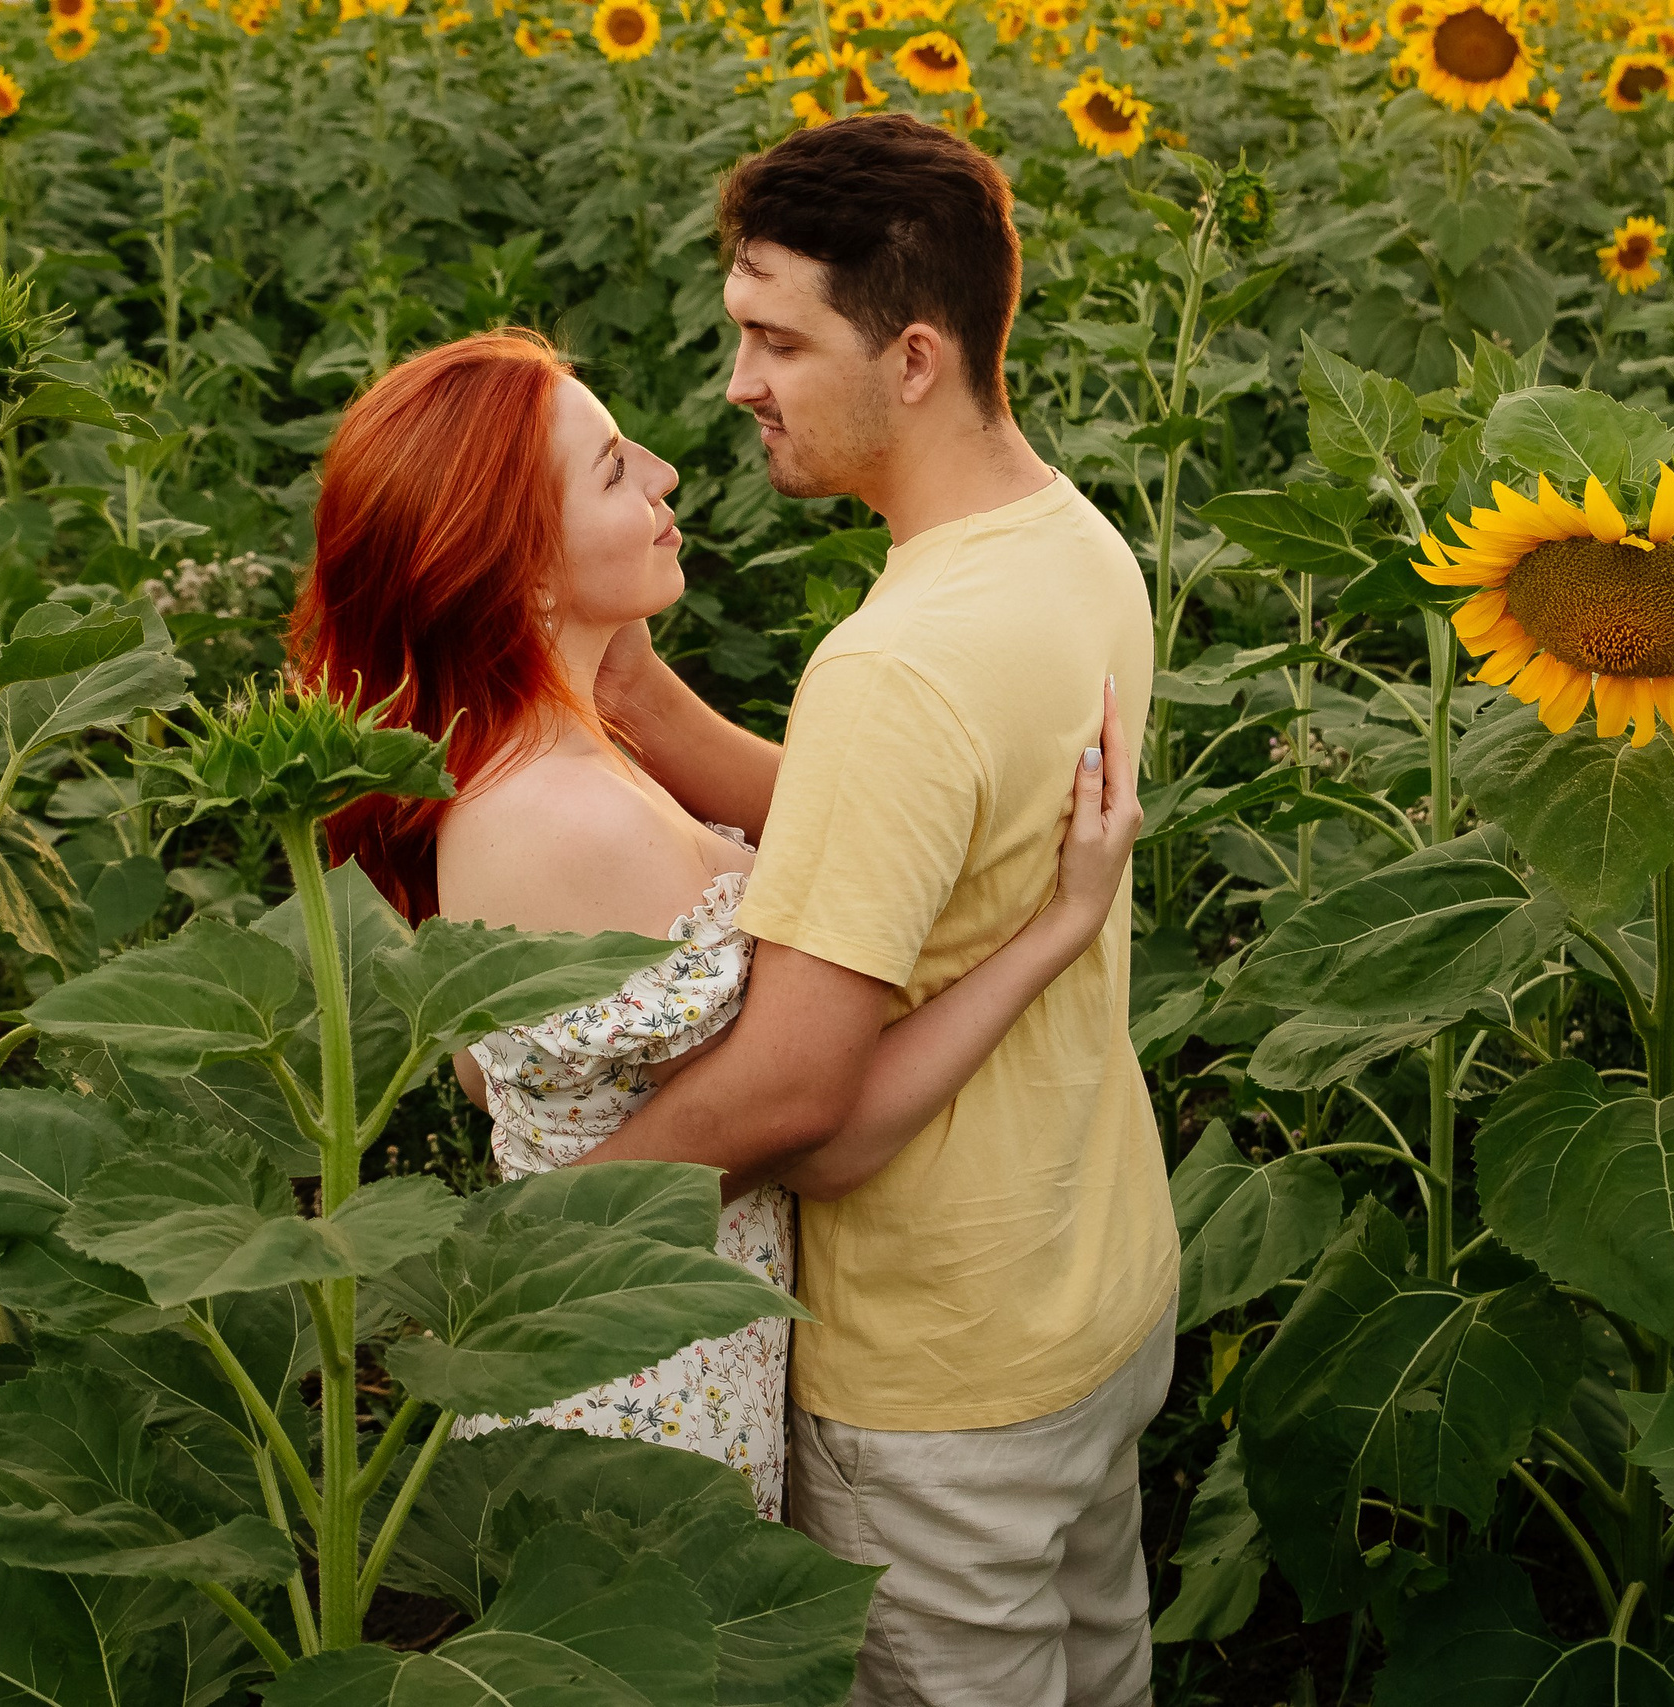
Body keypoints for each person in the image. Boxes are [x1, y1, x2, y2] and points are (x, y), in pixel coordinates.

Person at [285, 327, 1142, 1530]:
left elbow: (499, 1083)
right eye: (610, 471)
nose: (664, 473)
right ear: (523, 571)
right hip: (642, 1400)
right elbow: (820, 1129)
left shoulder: (540, 752)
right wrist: (1058, 924)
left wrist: (627, 681)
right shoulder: (561, 816)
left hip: (653, 1350)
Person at [567, 113, 1180, 1707]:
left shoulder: (898, 665)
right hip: (1093, 1294)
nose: (736, 383)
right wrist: (651, 708)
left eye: (776, 337)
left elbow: (802, 1103)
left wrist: (532, 1231)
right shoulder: (1068, 546)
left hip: (938, 1379)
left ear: (911, 356)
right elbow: (926, 829)